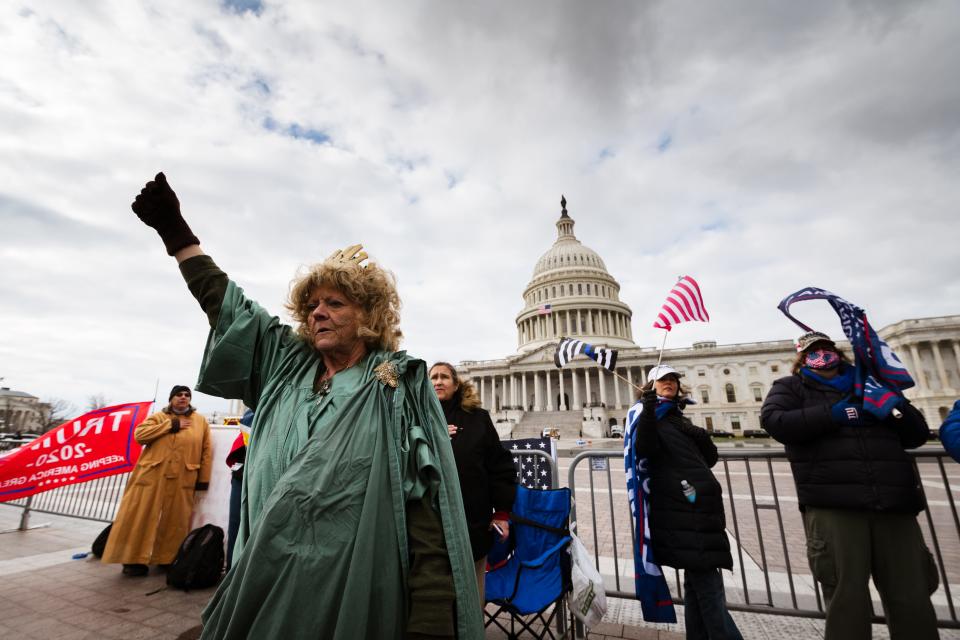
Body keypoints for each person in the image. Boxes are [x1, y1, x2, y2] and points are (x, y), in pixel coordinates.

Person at [128, 172, 481, 639]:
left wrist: (431, 621)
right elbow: (228, 307)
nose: (318, 313)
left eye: (334, 303)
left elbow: (427, 510)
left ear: (369, 317)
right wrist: (177, 234)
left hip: (352, 596)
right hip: (264, 582)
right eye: (312, 305)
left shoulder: (399, 384)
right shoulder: (286, 366)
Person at [761, 331, 938, 640]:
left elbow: (917, 434)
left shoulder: (873, 385)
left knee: (912, 596)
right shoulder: (791, 387)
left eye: (827, 348)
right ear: (802, 357)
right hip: (835, 504)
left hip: (893, 502)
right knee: (847, 599)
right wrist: (832, 414)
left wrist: (894, 406)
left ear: (838, 353)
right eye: (814, 351)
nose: (823, 354)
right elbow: (776, 422)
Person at [632, 365, 742, 640]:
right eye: (662, 379)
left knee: (698, 585)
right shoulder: (649, 418)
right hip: (684, 509)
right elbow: (644, 449)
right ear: (650, 386)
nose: (669, 383)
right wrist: (647, 410)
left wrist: (699, 436)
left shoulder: (678, 419)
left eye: (672, 379)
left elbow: (709, 458)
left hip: (699, 508)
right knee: (708, 587)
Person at [429, 362, 517, 606]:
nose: (437, 381)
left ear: (456, 384)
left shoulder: (477, 419)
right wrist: (432, 437)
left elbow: (499, 466)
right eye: (433, 377)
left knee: (471, 597)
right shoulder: (419, 420)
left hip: (472, 522)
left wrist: (501, 512)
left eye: (444, 377)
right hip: (429, 525)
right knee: (433, 599)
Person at [101, 385, 212, 576]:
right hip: (152, 476)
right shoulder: (158, 418)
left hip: (183, 476)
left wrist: (203, 479)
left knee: (176, 520)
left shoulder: (200, 421)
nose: (183, 398)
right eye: (179, 395)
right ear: (171, 399)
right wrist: (171, 426)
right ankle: (132, 560)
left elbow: (206, 451)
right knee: (140, 516)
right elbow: (139, 436)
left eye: (187, 395)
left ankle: (167, 558)